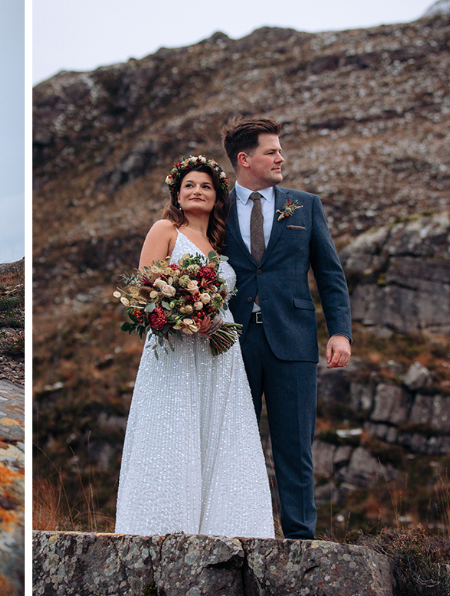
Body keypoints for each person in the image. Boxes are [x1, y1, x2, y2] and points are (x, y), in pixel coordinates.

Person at [114, 155, 274, 539]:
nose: (197, 191)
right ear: (177, 192)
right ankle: (163, 523)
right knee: (173, 426)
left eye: (205, 186)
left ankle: (224, 524)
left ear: (217, 196)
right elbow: (143, 294)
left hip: (219, 351)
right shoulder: (166, 229)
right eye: (189, 186)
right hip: (175, 350)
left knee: (221, 432)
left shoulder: (221, 242)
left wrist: (210, 321)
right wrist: (180, 317)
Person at [221, 117, 352, 540]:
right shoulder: (215, 210)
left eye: (280, 150)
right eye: (271, 151)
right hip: (230, 342)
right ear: (245, 160)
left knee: (294, 446)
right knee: (232, 443)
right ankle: (237, 529)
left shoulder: (305, 205)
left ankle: (300, 537)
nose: (281, 157)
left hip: (293, 339)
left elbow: (330, 273)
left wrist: (340, 331)